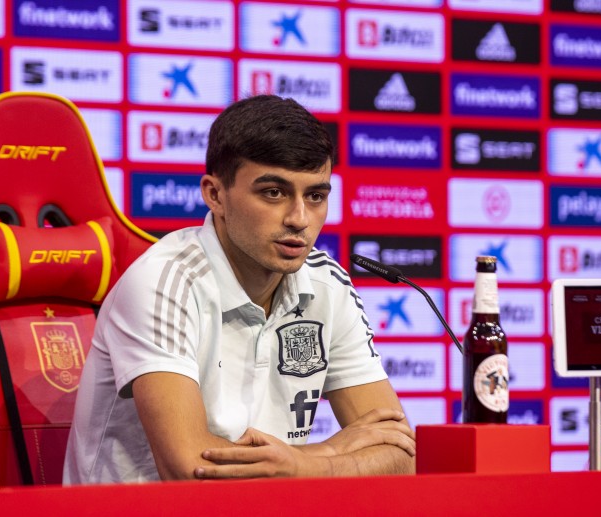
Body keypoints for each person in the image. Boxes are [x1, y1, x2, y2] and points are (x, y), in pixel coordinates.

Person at [63, 95, 416, 483]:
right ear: (215, 195)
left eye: (315, 196)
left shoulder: (326, 284)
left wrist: (302, 466)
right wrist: (327, 453)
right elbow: (189, 469)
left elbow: (401, 456)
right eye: (273, 193)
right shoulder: (163, 281)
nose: (299, 219)